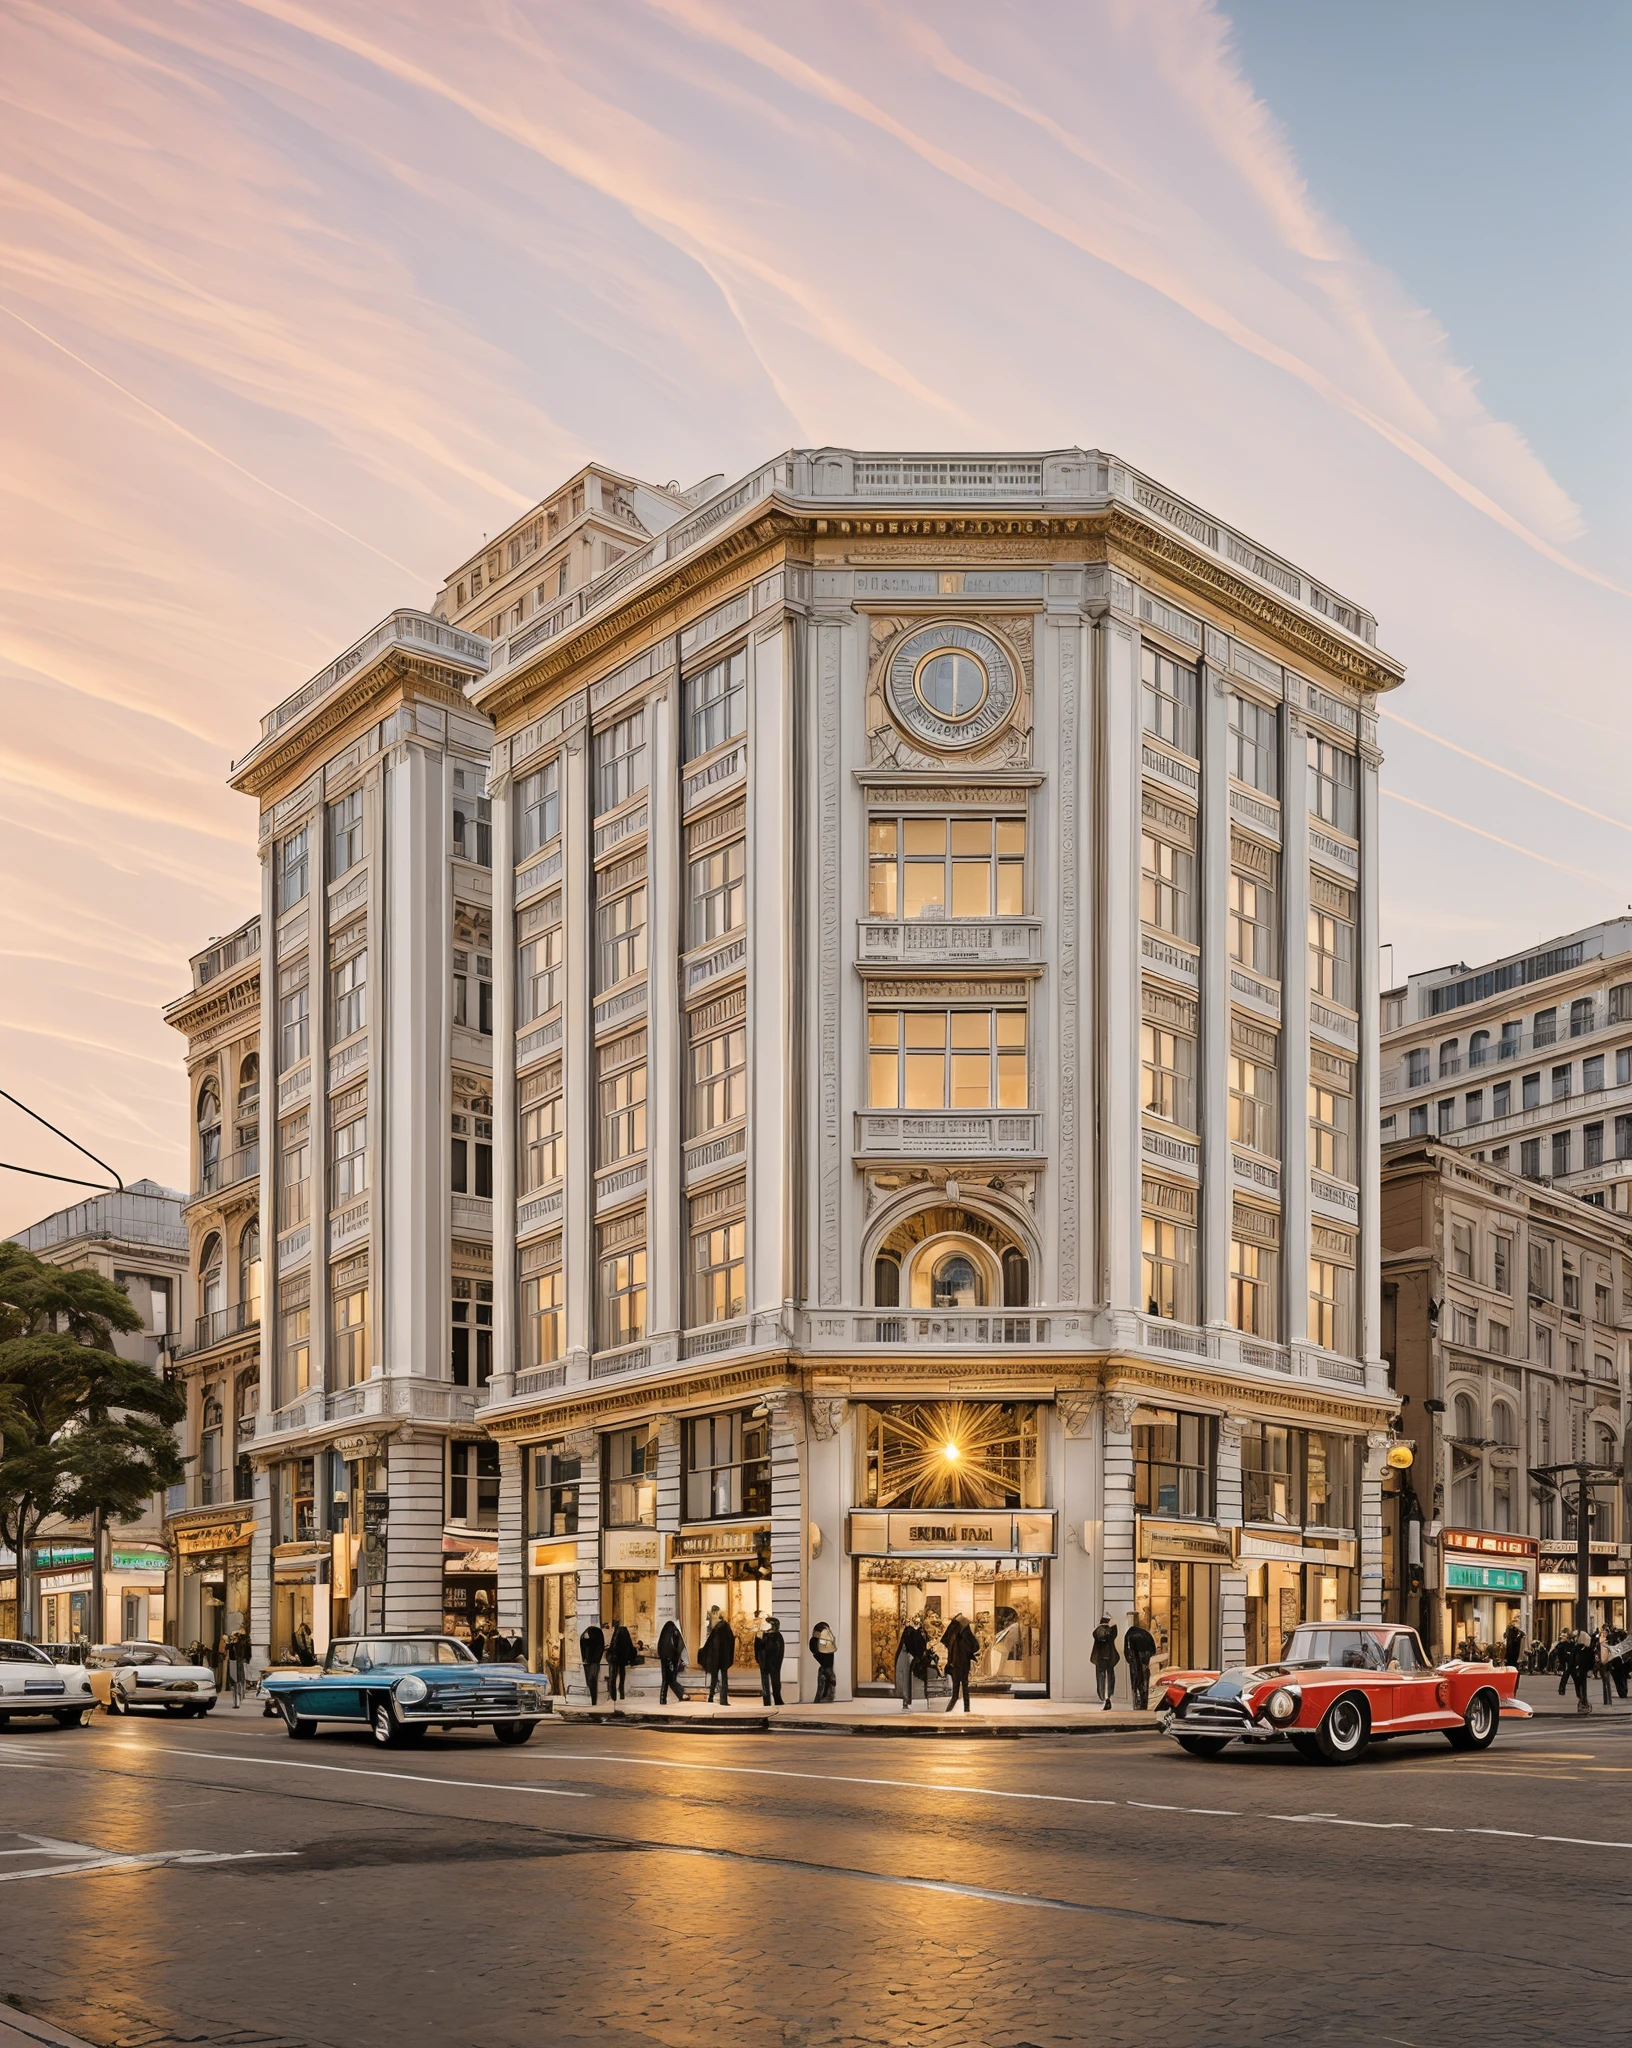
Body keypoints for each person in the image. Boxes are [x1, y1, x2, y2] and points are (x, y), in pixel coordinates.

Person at [941, 1615, 976, 1714]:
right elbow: (974, 1646)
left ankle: (952, 1709)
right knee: (963, 1686)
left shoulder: (957, 1635)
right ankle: (965, 1709)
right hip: (959, 1664)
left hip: (958, 1664)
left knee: (959, 1688)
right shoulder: (960, 1635)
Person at [701, 1608, 737, 1704]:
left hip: (715, 1658)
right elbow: (731, 1641)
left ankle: (711, 1697)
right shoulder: (726, 1628)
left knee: (714, 1678)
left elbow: (709, 1644)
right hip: (723, 1657)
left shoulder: (715, 1629)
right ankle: (723, 1700)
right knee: (724, 1679)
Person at [1123, 1616, 1157, 1710]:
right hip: (1145, 1658)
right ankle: (1144, 1701)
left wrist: (1130, 1660)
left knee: (1136, 1681)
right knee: (1145, 1680)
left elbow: (1127, 1651)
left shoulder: (1129, 1635)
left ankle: (1138, 1701)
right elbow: (1153, 1649)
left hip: (1136, 1660)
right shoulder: (1145, 1634)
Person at [895, 1621, 929, 1710]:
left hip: (905, 1658)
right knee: (906, 1680)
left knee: (906, 1680)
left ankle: (905, 1701)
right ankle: (906, 1701)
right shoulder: (914, 1636)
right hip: (907, 1659)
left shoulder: (909, 1636)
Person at [1090, 1616, 1120, 1711]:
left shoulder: (1098, 1631)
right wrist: (1113, 1625)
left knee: (1102, 1677)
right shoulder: (1108, 1632)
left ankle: (1104, 1697)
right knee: (1109, 1677)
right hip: (1108, 1658)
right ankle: (1107, 1697)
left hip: (1101, 1658)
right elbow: (1112, 1634)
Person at [755, 1616, 786, 1706]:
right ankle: (766, 1700)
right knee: (765, 1683)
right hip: (764, 1662)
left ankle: (777, 1698)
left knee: (775, 1681)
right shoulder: (763, 1635)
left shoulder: (777, 1636)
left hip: (773, 1663)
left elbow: (777, 1650)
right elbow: (758, 1648)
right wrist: (758, 1639)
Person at [657, 1619, 688, 1704]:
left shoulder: (664, 1634)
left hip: (665, 1659)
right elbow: (677, 1647)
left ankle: (663, 1699)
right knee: (671, 1680)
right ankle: (681, 1694)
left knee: (665, 1680)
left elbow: (659, 1648)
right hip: (671, 1660)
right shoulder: (673, 1632)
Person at [605, 1620, 637, 1702]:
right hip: (622, 1659)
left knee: (613, 1678)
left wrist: (609, 1655)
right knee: (622, 1677)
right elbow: (631, 1648)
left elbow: (613, 1647)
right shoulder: (625, 1634)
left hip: (614, 1659)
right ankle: (621, 1694)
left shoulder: (616, 1633)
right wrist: (631, 1660)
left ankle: (613, 1697)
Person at [809, 1621, 837, 1703]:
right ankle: (823, 1697)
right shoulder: (818, 1641)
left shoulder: (821, 1640)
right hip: (825, 1665)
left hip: (825, 1664)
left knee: (826, 1679)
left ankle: (824, 1696)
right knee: (826, 1679)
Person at [579, 1621, 606, 1706]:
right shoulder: (596, 1633)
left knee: (590, 1681)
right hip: (593, 1662)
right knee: (592, 1681)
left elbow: (584, 1646)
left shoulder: (587, 1634)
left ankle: (592, 1700)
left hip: (590, 1662)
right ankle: (593, 1700)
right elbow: (600, 1647)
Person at [225, 1626, 249, 1709]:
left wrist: (239, 1635)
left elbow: (245, 1648)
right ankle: (236, 1702)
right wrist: (231, 1643)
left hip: (239, 1663)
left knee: (240, 1681)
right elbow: (226, 1649)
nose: (232, 1638)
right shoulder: (231, 1645)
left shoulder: (242, 1644)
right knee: (233, 1683)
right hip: (232, 1663)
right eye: (232, 1636)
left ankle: (240, 1697)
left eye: (234, 1636)